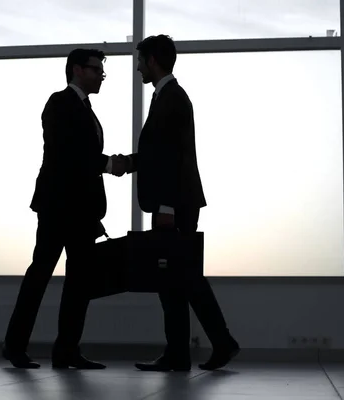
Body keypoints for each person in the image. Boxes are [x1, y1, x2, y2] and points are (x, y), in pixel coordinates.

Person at [2, 48, 127, 369]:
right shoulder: (59, 103)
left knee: (78, 281)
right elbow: (69, 154)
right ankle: (15, 346)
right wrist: (109, 163)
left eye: (102, 70)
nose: (101, 75)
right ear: (76, 70)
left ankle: (66, 350)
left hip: (81, 211)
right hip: (59, 207)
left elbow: (79, 158)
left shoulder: (86, 109)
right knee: (40, 275)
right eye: (96, 69)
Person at [121, 34, 239, 371]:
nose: (138, 67)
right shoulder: (168, 96)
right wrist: (130, 162)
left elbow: (173, 158)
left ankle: (218, 343)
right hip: (175, 201)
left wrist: (167, 208)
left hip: (174, 204)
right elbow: (159, 153)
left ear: (153, 61)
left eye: (140, 60)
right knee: (173, 278)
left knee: (183, 276)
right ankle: (181, 353)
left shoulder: (171, 98)